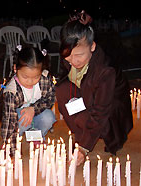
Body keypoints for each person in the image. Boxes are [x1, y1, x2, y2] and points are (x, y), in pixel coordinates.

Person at [55, 19, 133, 166]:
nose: (73, 61)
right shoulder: (69, 58)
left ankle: (93, 137)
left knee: (87, 116)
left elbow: (101, 111)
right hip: (87, 99)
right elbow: (64, 82)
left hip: (112, 113)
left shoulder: (105, 70)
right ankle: (82, 134)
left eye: (79, 55)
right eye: (69, 55)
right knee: (62, 90)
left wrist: (84, 148)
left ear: (92, 47)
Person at [0, 46, 56, 156]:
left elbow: (50, 99)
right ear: (15, 69)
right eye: (25, 77)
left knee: (48, 117)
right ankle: (16, 139)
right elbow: (9, 121)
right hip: (18, 117)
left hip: (37, 113)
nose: (30, 81)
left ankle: (37, 136)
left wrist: (33, 109)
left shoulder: (44, 79)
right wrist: (9, 151)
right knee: (24, 118)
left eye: (35, 77)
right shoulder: (11, 91)